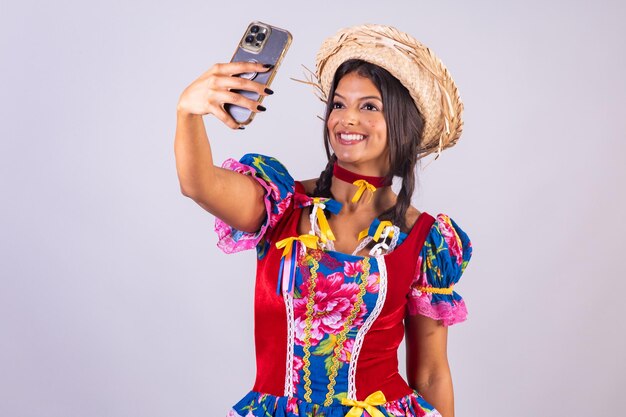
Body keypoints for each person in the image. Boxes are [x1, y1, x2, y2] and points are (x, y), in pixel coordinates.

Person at [174, 24, 472, 417]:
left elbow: (431, 374)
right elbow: (199, 184)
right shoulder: (281, 204)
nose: (346, 119)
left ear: (403, 124)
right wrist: (188, 113)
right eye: (338, 104)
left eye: (369, 106)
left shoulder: (425, 240)